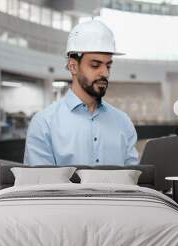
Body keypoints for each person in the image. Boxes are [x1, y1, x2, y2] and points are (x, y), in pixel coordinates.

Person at [24, 20, 139, 166]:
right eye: (95, 65)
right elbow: (39, 185)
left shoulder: (123, 122)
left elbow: (136, 181)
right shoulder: (44, 124)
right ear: (73, 66)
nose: (104, 73)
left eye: (108, 66)